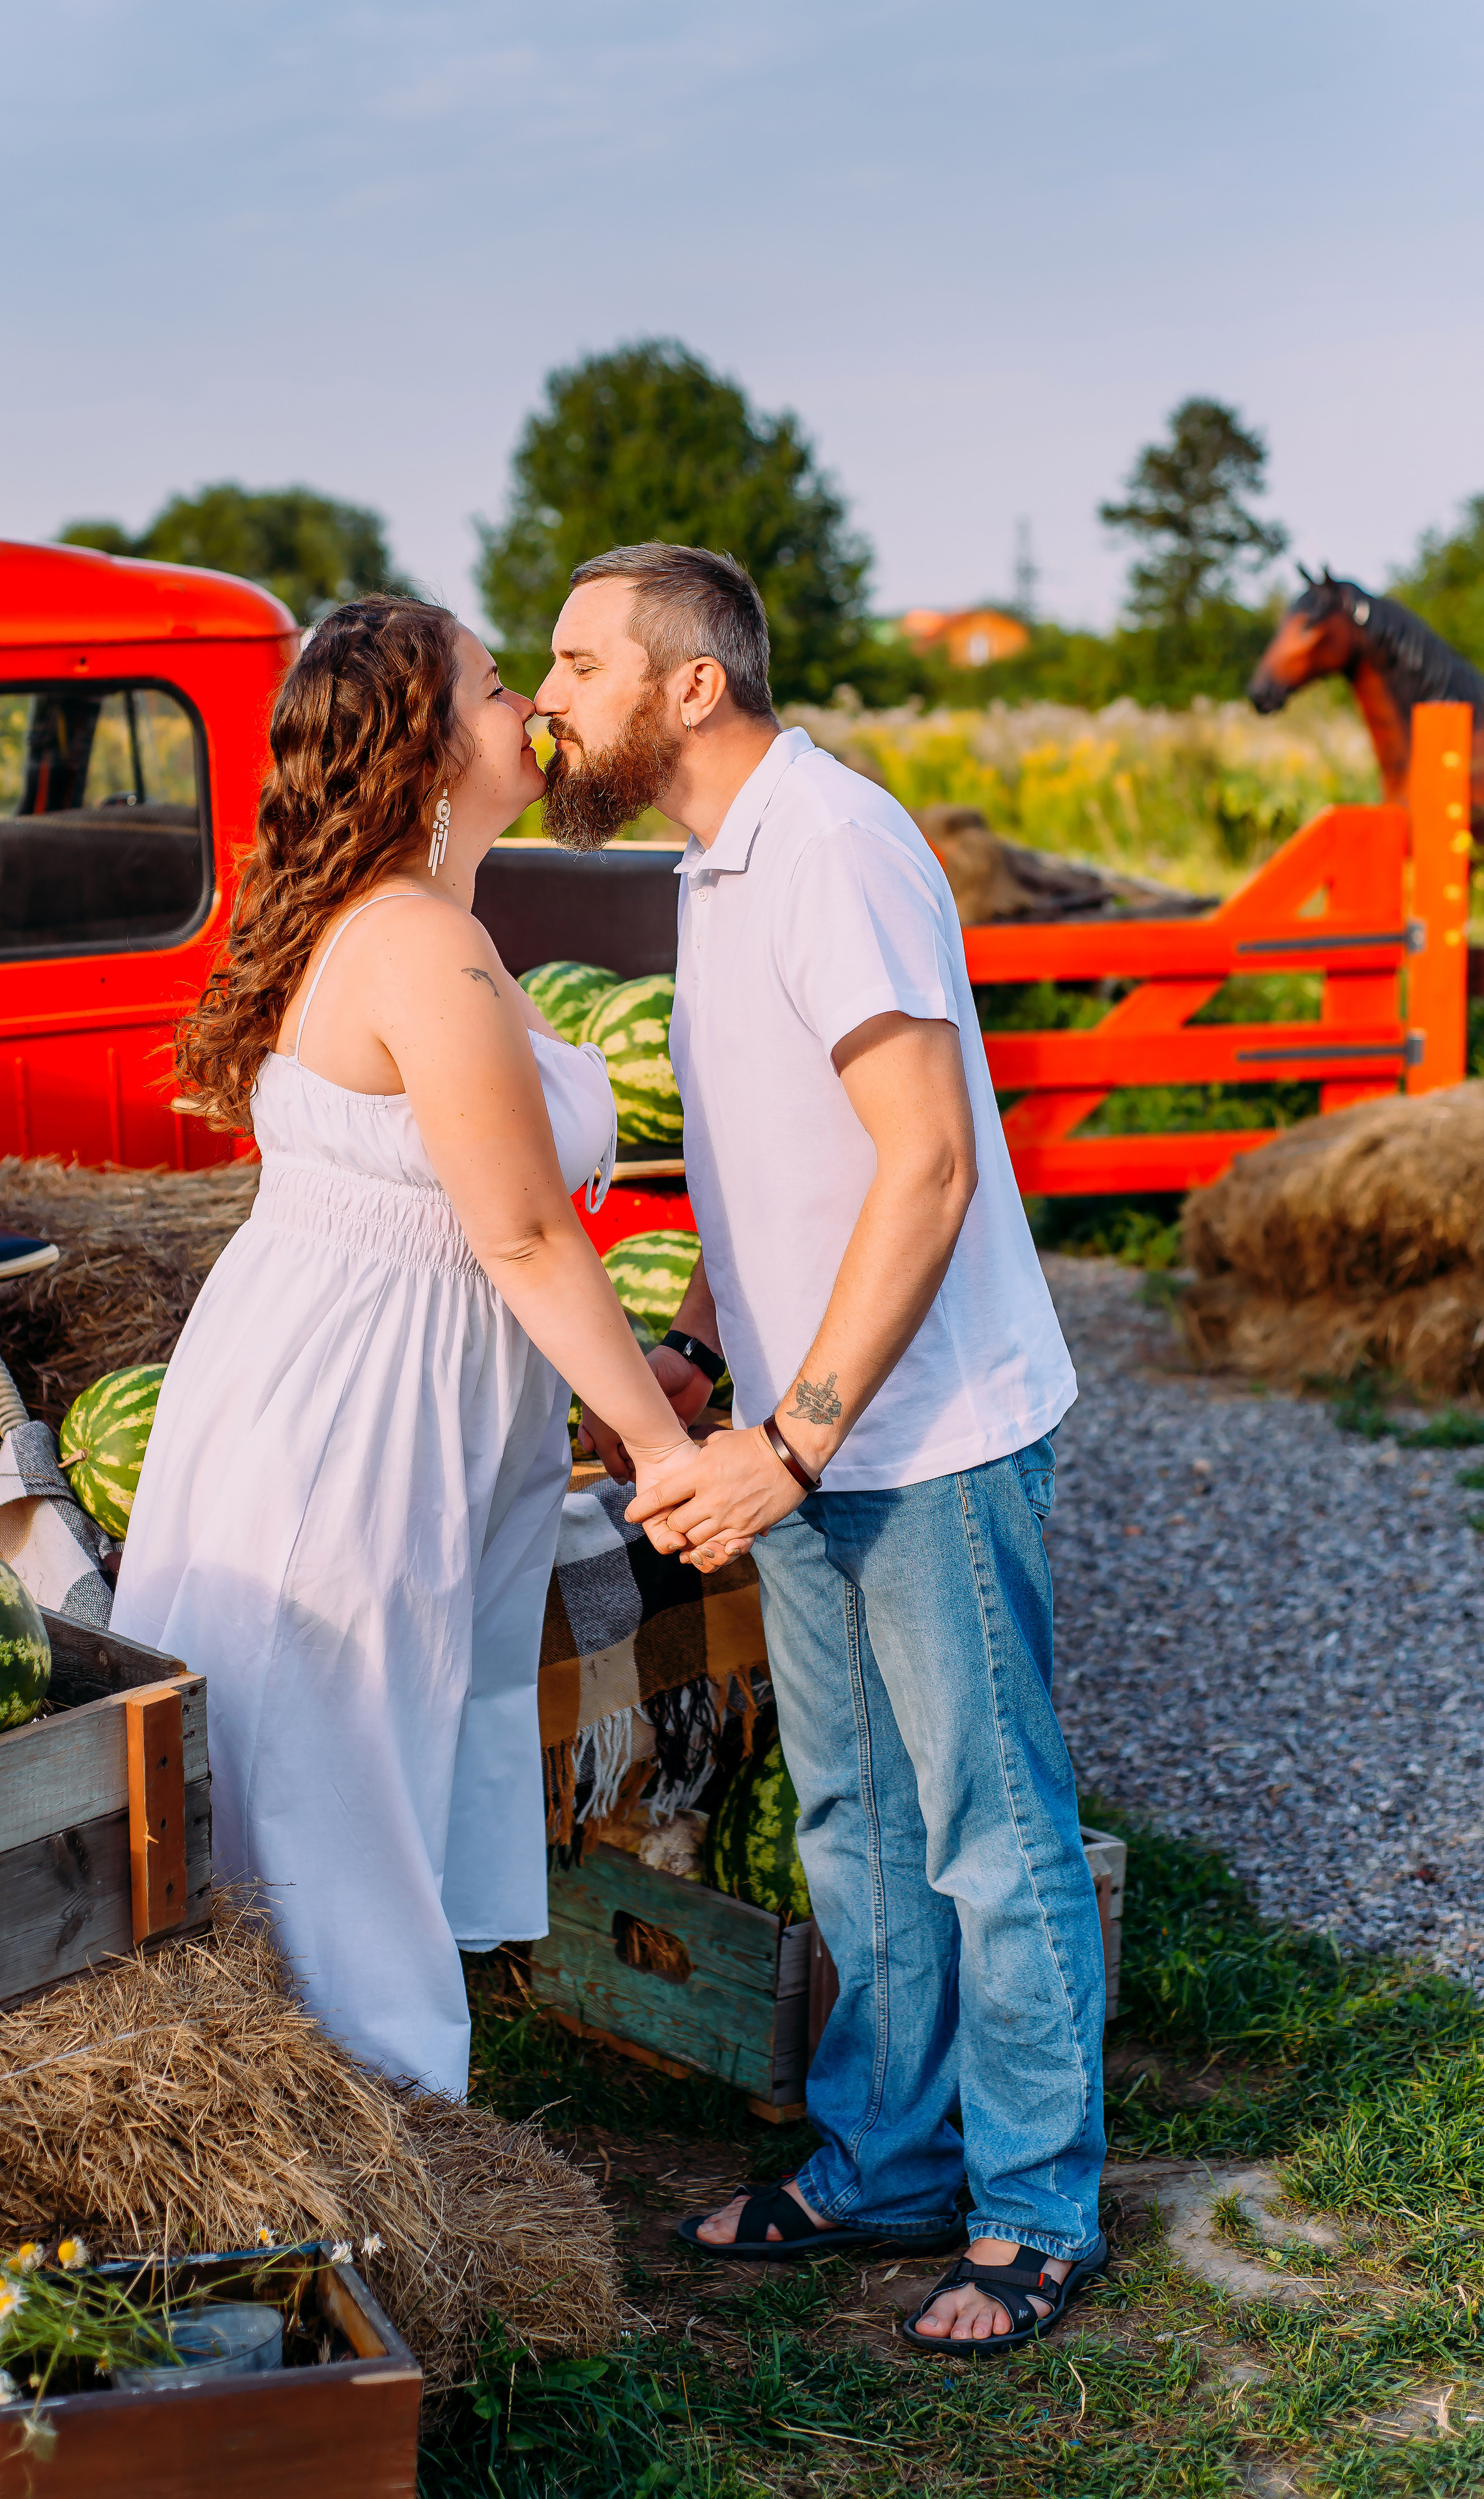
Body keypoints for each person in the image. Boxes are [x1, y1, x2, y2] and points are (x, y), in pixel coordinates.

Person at [542, 544, 1108, 2354]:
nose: (544, 694)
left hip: (914, 1430)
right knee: (857, 1817)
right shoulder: (713, 863)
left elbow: (926, 1161)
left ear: (689, 686)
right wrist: (713, 1352)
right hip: (800, 1428)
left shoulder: (839, 845)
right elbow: (755, 1164)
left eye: (573, 661)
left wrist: (794, 1432)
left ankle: (1036, 2205)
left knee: (990, 1829)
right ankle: (882, 2154)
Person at [111, 596, 697, 2100]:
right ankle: (381, 2137)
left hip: (350, 1364)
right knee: (332, 1766)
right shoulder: (420, 943)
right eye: (498, 690)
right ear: (431, 752)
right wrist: (660, 1441)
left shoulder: (400, 919)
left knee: (334, 1750)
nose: (530, 711)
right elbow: (517, 1234)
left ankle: (326, 2095)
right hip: (355, 1405)